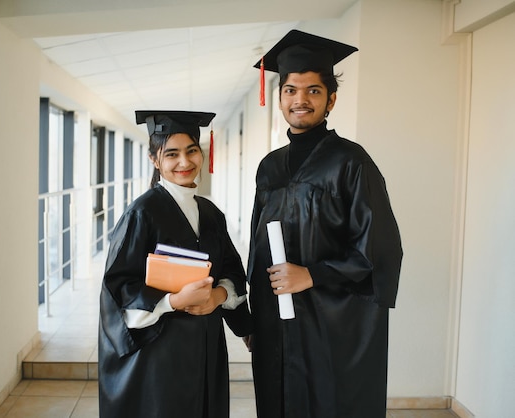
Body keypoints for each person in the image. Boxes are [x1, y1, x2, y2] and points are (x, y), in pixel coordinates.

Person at [245, 30, 403, 418]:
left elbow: (380, 249)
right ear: (279, 97)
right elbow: (257, 243)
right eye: (291, 89)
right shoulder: (269, 166)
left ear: (331, 99)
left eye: (313, 91)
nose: (300, 100)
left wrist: (311, 276)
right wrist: (254, 312)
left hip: (330, 319)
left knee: (326, 403)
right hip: (275, 316)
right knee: (277, 399)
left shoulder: (351, 162)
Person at [98, 110, 252, 418]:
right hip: (160, 355)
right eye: (172, 154)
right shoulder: (141, 214)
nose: (185, 162)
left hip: (207, 347)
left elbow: (232, 269)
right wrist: (173, 301)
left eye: (191, 150)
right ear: (155, 159)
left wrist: (219, 297)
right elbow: (118, 288)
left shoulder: (210, 214)